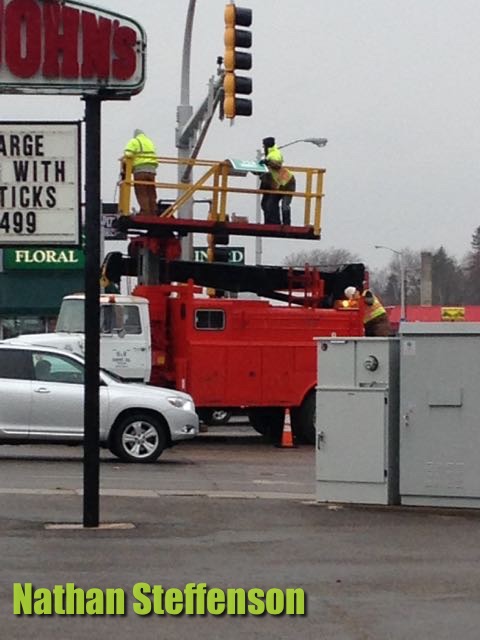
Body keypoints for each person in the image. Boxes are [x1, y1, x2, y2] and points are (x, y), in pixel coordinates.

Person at [260, 137, 296, 225]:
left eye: (263, 146)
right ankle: (273, 223)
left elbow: (277, 164)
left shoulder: (274, 154)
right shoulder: (270, 154)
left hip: (288, 183)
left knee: (285, 205)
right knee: (270, 204)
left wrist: (268, 162)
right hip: (280, 184)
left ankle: (286, 224)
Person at [123, 129, 159, 215]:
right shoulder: (149, 142)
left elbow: (128, 154)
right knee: (151, 192)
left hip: (140, 170)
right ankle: (153, 212)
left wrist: (125, 167)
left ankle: (145, 212)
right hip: (152, 171)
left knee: (141, 192)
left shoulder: (134, 141)